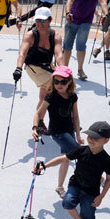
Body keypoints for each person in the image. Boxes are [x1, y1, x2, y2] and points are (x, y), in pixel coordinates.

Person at [34, 121, 110, 219]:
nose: (91, 139)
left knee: (89, 216)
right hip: (75, 185)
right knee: (67, 203)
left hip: (91, 192)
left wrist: (101, 196)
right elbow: (63, 159)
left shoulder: (107, 160)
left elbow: (109, 179)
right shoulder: (81, 150)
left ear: (106, 141)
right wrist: (44, 166)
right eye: (90, 136)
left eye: (95, 138)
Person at [32, 66, 82, 199]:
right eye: (56, 81)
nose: (59, 85)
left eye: (63, 82)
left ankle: (59, 187)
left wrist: (78, 135)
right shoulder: (51, 96)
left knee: (66, 158)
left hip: (69, 130)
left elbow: (75, 117)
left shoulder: (72, 96)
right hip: (58, 132)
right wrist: (34, 127)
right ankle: (102, 180)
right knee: (81, 153)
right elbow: (39, 114)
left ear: (70, 81)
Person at [63, 0, 108, 81]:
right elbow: (70, 0)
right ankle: (64, 69)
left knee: (81, 45)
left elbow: (102, 2)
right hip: (72, 19)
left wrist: (106, 14)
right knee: (67, 45)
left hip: (86, 20)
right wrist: (68, 13)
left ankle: (80, 69)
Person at [13, 7, 64, 110]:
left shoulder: (55, 36)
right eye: (37, 20)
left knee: (44, 96)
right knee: (58, 87)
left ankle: (38, 122)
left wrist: (63, 70)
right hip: (33, 67)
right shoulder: (30, 35)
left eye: (43, 20)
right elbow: (22, 53)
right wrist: (18, 68)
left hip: (47, 66)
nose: (39, 23)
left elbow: (59, 55)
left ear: (50, 20)